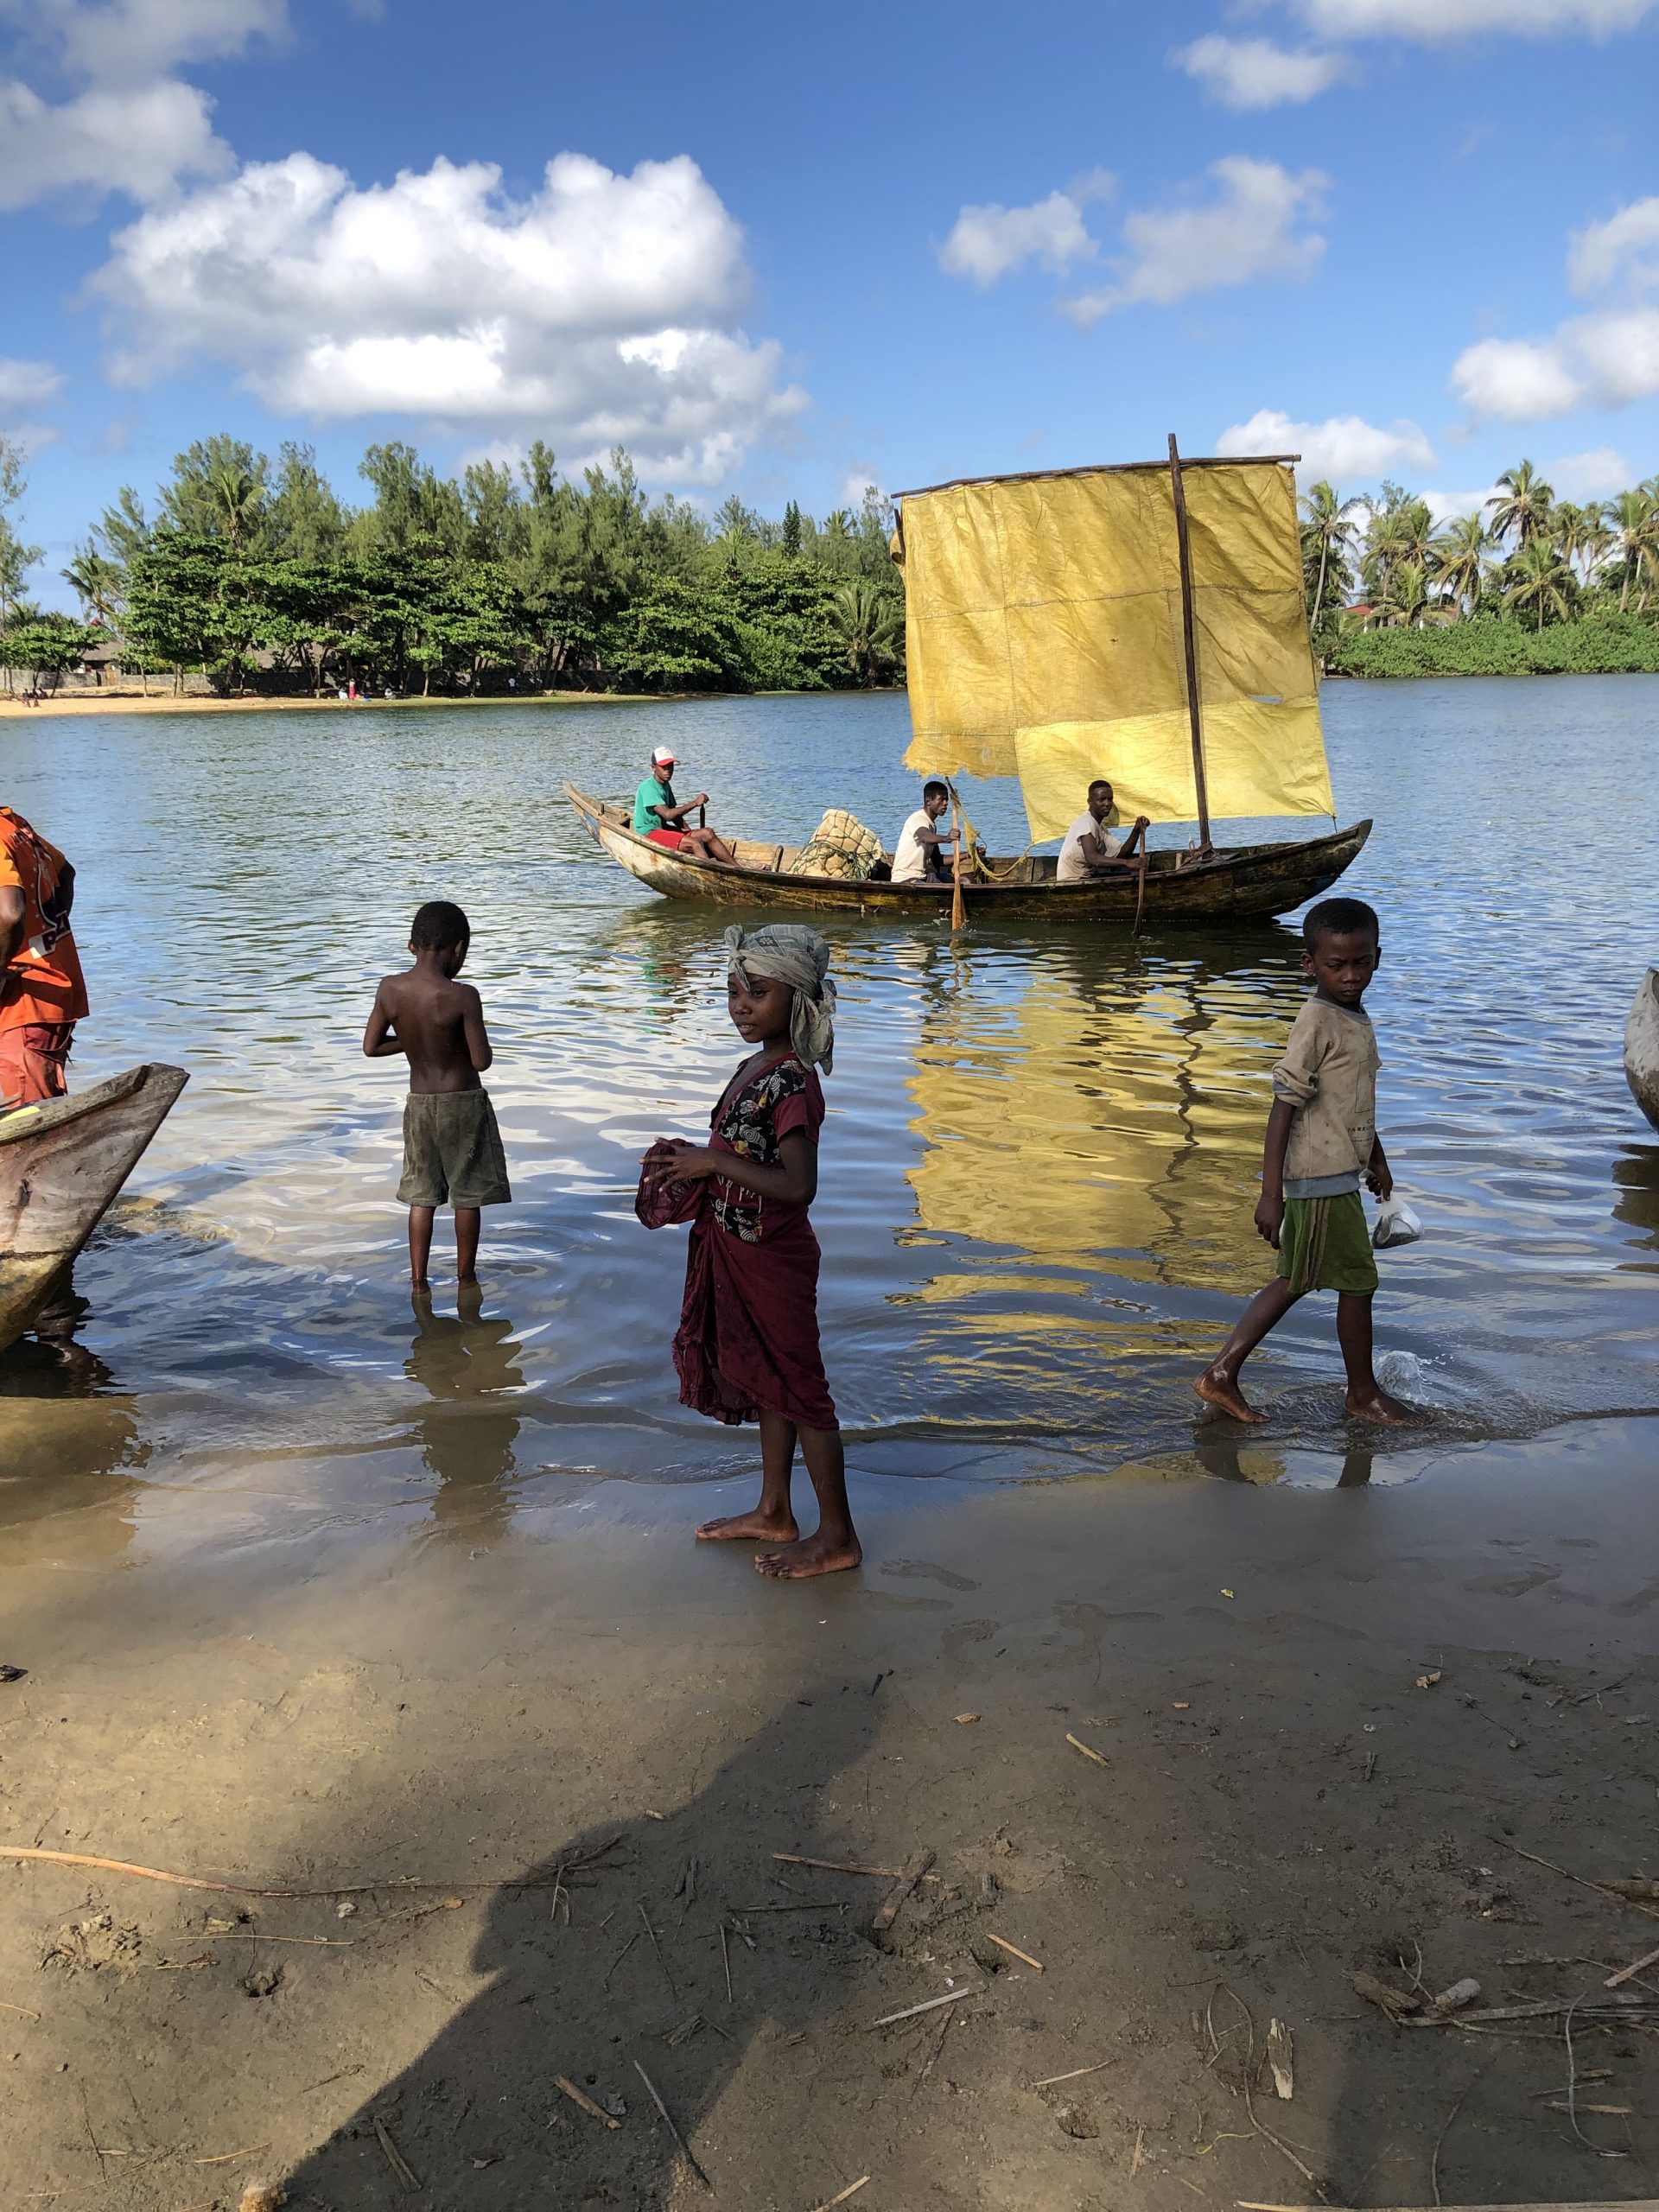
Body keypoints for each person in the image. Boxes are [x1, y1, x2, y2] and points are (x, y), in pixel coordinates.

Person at [639, 924, 860, 1580]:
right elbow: (741, 1156)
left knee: (801, 1390)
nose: (740, 1005)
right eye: (733, 991)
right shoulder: (754, 1068)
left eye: (756, 993)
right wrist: (696, 1164)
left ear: (796, 999)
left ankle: (839, 1536)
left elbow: (798, 1186)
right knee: (770, 1382)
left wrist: (711, 1163)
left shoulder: (792, 1083)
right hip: (741, 1247)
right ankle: (774, 1510)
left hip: (775, 1257)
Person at [1193, 896, 1428, 1427]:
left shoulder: (1353, 1016)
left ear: (1377, 958)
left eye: (1361, 962)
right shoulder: (1317, 1021)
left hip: (1339, 1174)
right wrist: (1268, 1192)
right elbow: (1283, 1109)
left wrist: (1377, 1159)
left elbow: (1353, 1102)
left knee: (1300, 1278)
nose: (1350, 975)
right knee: (1351, 1280)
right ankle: (1361, 1395)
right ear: (1309, 965)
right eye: (1335, 965)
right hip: (1316, 1179)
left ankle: (1223, 1375)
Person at [364, 899, 510, 1294]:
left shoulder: (390, 989)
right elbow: (481, 1061)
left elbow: (372, 1047)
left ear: (412, 945)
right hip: (463, 1103)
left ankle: (418, 1282)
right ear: (458, 949)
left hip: (420, 1106)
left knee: (422, 1196)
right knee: (467, 1197)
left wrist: (410, 1039)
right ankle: (465, 1279)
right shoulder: (463, 995)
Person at [0, 806, 88, 1110]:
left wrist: (3, 967)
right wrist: (45, 942)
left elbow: (9, 914)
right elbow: (66, 872)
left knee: (30, 1117)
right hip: (48, 988)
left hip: (24, 999)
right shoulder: (12, 826)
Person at [632, 747, 735, 865]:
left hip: (661, 829)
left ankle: (738, 868)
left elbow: (676, 817)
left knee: (707, 833)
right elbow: (668, 815)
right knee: (695, 844)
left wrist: (690, 832)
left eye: (670, 766)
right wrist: (694, 803)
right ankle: (713, 873)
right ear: (653, 768)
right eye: (663, 767)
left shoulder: (666, 785)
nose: (668, 770)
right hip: (649, 832)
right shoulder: (648, 787)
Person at [1056, 779, 1150, 882]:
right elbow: (1092, 858)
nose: (1107, 803)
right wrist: (1126, 863)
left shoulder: (1100, 828)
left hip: (1086, 878)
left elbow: (1121, 854)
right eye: (1102, 799)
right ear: (1090, 802)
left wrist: (1136, 830)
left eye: (1110, 799)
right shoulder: (1086, 823)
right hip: (1072, 880)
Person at [891, 780, 963, 884]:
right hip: (906, 879)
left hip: (922, 877)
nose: (945, 803)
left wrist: (967, 855)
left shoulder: (932, 826)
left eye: (946, 800)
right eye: (941, 799)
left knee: (961, 880)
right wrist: (946, 838)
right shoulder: (918, 818)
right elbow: (925, 837)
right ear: (928, 801)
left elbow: (938, 860)